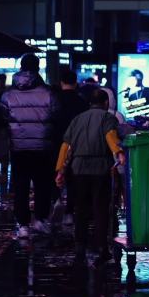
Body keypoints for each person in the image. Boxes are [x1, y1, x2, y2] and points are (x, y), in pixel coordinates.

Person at [55, 89, 126, 267]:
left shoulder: (77, 119)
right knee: (101, 209)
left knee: (81, 209)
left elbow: (66, 146)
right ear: (106, 103)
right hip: (100, 168)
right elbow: (111, 137)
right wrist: (118, 153)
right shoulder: (108, 118)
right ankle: (102, 248)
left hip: (78, 170)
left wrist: (60, 170)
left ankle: (80, 247)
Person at [1, 53, 60, 238]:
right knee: (43, 184)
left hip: (18, 148)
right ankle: (41, 220)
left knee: (20, 186)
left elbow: (3, 117)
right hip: (43, 147)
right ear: (38, 67)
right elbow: (56, 115)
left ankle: (23, 224)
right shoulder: (49, 93)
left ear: (20, 67)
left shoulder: (8, 95)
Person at [54, 69, 88, 225]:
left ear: (61, 82)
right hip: (76, 144)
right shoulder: (82, 102)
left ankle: (56, 200)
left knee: (56, 173)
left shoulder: (54, 99)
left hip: (56, 142)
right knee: (73, 178)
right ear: (75, 83)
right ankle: (69, 212)